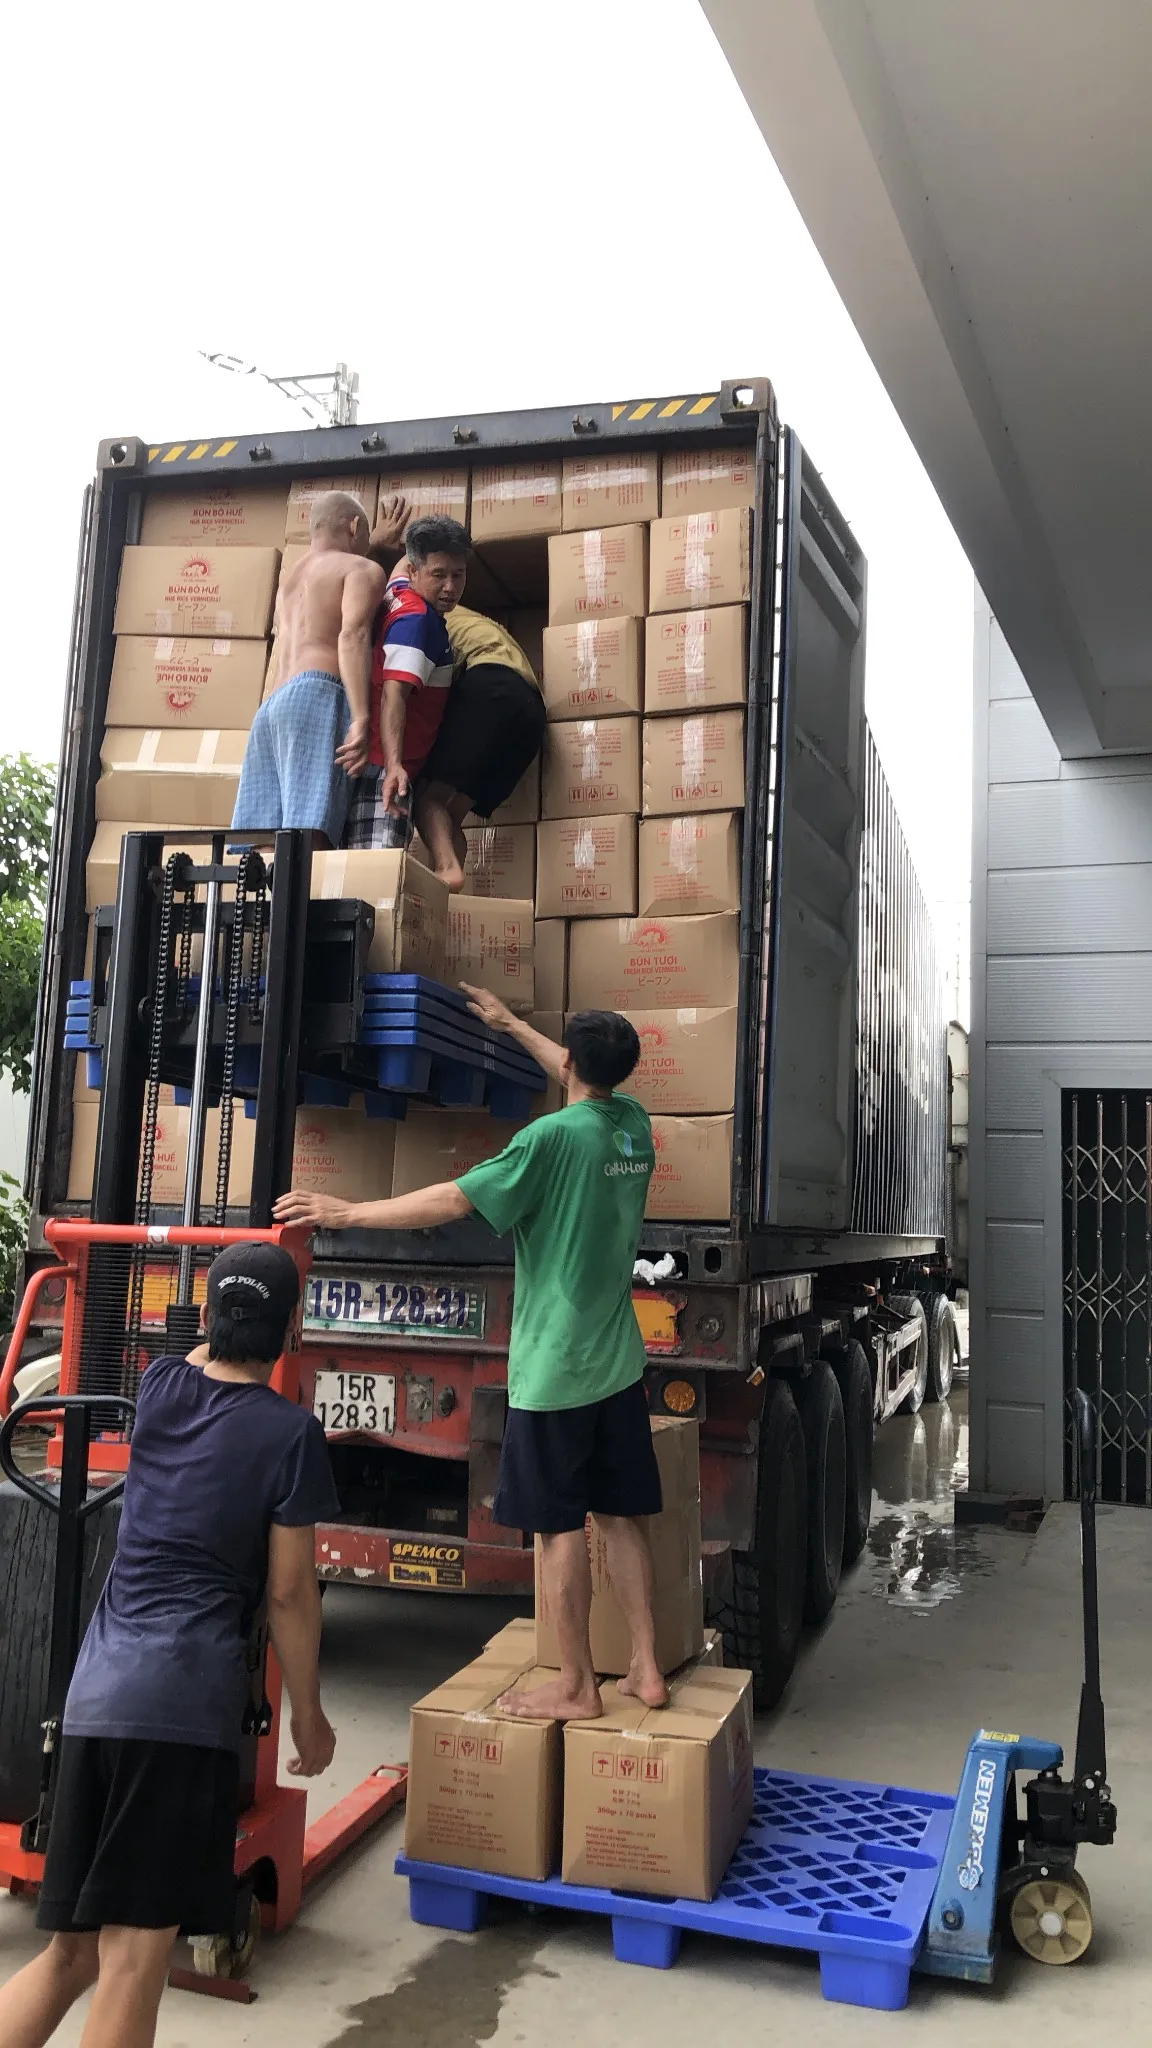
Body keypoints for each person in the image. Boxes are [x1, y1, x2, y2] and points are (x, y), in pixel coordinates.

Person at [276, 1000, 667, 1724]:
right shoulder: (633, 1125)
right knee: (621, 1517)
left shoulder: (548, 1140)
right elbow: (575, 1070)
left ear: (572, 1065)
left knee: (557, 1529)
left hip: (554, 1371)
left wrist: (345, 1213)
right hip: (616, 1363)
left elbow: (454, 1200)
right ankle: (645, 1668)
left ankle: (577, 1685)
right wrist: (513, 1026)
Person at [0, 1244, 340, 2048]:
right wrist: (308, 1714)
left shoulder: (159, 1387)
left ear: (208, 1319)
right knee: (133, 1961)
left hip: (95, 1701)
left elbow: (200, 1350)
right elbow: (289, 1593)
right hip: (180, 1715)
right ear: (293, 1328)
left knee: (71, 1954)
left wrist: (228, 1309)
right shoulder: (290, 1435)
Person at [230, 489, 405, 848]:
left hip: (272, 708)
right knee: (311, 838)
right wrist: (361, 717)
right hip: (317, 696)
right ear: (353, 526)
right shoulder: (362, 569)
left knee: (264, 842)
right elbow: (352, 635)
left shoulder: (291, 579)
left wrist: (372, 543)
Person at [344, 515, 467, 870]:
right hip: (385, 773)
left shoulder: (398, 592)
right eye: (439, 575)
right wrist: (394, 766)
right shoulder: (417, 622)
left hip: (374, 764)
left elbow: (401, 564)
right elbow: (394, 695)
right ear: (416, 571)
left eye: (458, 575)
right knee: (375, 879)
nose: (450, 587)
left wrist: (380, 542)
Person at [421, 603, 547, 887]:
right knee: (451, 815)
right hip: (531, 710)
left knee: (427, 798)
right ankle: (450, 895)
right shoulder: (469, 618)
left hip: (491, 684)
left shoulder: (415, 612)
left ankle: (447, 871)